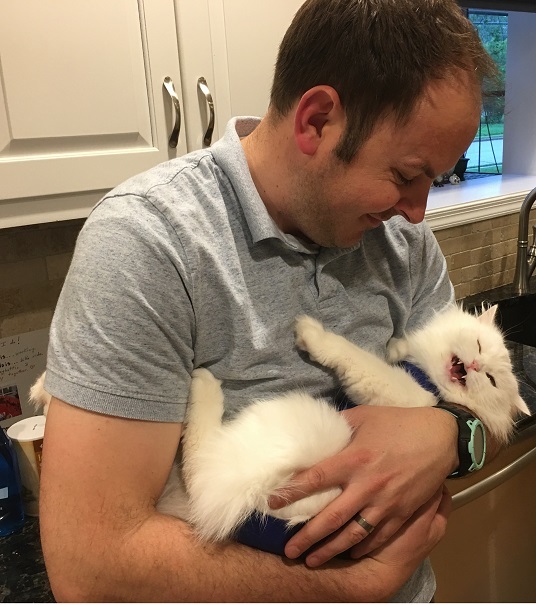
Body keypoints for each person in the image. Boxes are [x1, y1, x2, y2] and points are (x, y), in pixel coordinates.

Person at [39, 0, 498, 601]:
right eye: (407, 174)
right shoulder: (148, 244)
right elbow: (91, 567)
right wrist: (354, 586)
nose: (418, 213)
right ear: (316, 121)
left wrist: (453, 439)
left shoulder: (404, 244)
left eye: (433, 181)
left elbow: (472, 413)